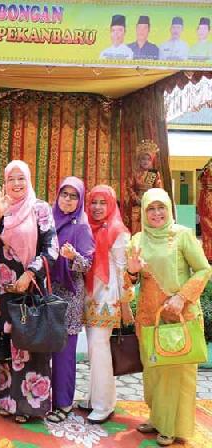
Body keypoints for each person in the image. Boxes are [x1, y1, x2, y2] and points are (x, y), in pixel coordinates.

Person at [127, 188, 211, 446]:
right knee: (153, 372)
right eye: (150, 209)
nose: (156, 213)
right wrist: (131, 272)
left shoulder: (183, 235)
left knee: (175, 373)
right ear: (144, 212)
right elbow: (129, 281)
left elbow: (203, 270)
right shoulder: (138, 240)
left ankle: (172, 427)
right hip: (150, 318)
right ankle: (157, 418)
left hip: (179, 316)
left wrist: (182, 297)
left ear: (169, 208)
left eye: (161, 207)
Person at [0, 160, 59, 424]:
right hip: (6, 289)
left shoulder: (40, 209)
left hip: (32, 287)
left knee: (31, 343)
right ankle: (8, 401)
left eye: (21, 178)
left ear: (28, 180)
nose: (16, 184)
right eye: (11, 179)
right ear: (5, 182)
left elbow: (52, 248)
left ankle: (30, 406)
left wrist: (30, 274)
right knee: (9, 344)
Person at [82, 185, 132, 424]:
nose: (97, 207)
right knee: (95, 349)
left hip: (108, 297)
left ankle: (104, 405)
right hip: (90, 295)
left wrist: (125, 304)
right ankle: (95, 398)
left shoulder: (118, 231)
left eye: (103, 203)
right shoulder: (88, 227)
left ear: (112, 205)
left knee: (99, 347)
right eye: (94, 202)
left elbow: (124, 271)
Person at [47, 177, 94, 423]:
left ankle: (63, 404)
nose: (67, 199)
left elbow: (87, 264)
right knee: (44, 347)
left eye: (73, 196)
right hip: (47, 291)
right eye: (64, 194)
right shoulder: (49, 220)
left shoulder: (81, 226)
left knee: (64, 353)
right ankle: (43, 399)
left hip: (69, 295)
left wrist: (73, 256)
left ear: (80, 200)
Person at [127, 140, 163, 235]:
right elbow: (129, 187)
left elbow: (158, 190)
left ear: (152, 161)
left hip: (150, 204)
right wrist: (136, 199)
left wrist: (152, 201)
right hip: (137, 204)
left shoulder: (154, 174)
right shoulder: (134, 173)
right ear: (139, 160)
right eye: (143, 159)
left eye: (148, 159)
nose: (146, 161)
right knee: (136, 229)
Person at [198, 158, 212, 260]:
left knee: (206, 228)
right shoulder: (208, 168)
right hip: (208, 199)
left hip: (205, 198)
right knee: (207, 227)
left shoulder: (206, 168)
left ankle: (208, 254)